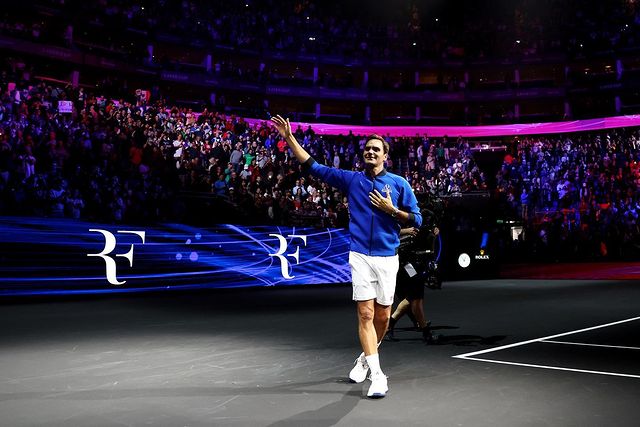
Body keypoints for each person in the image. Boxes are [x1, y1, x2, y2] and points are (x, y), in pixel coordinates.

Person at [271, 115, 422, 398]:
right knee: (365, 312)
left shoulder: (400, 184)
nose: (370, 151)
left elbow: (418, 219)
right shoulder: (351, 180)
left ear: (385, 156)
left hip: (388, 257)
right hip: (360, 255)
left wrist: (393, 211)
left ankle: (365, 358)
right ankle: (378, 375)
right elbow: (313, 166)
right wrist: (289, 138)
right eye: (367, 148)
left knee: (383, 317)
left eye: (376, 149)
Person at [387, 222, 441, 343]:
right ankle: (425, 332)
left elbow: (421, 232)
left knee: (413, 297)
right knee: (415, 296)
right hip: (402, 262)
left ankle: (390, 325)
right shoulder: (395, 213)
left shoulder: (415, 217)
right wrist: (406, 231)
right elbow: (388, 229)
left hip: (411, 261)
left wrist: (433, 230)